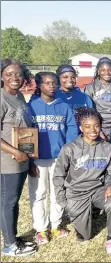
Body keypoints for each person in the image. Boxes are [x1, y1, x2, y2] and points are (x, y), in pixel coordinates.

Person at [52, 107, 111, 254]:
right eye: (88, 126)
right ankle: (84, 217)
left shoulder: (108, 148)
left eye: (96, 126)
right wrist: (63, 201)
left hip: (97, 190)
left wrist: (110, 186)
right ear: (81, 128)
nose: (93, 130)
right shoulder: (69, 148)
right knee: (85, 236)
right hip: (76, 193)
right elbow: (58, 175)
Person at [28, 72, 78, 245]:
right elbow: (24, 135)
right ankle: (41, 228)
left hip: (59, 158)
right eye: (47, 83)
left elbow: (71, 133)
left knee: (58, 192)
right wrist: (28, 160)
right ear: (39, 85)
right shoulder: (31, 107)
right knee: (39, 193)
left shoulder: (64, 107)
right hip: (38, 159)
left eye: (54, 83)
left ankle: (56, 224)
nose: (51, 86)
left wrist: (68, 156)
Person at [1, 59, 37, 256]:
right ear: (1, 76)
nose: (14, 78)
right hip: (8, 162)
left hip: (23, 159)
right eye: (9, 74)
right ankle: (9, 245)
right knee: (8, 201)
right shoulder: (1, 98)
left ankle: (13, 237)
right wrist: (15, 152)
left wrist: (28, 158)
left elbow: (24, 130)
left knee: (13, 201)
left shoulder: (20, 97)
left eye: (18, 74)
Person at [84, 57, 111, 142]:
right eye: (103, 70)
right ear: (98, 71)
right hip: (99, 127)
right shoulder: (91, 88)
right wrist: (98, 130)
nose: (107, 73)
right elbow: (88, 111)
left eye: (109, 70)